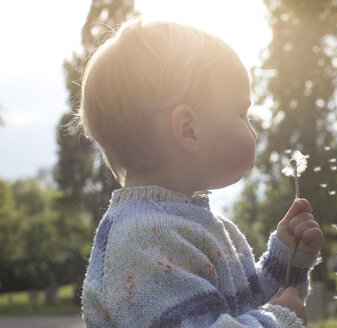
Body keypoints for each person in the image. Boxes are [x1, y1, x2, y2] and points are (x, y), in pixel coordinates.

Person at [79, 17, 323, 328]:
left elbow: (244, 305)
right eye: (242, 113)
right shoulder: (142, 240)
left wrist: (287, 260)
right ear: (188, 130)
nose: (253, 129)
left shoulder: (206, 228)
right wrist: (278, 321)